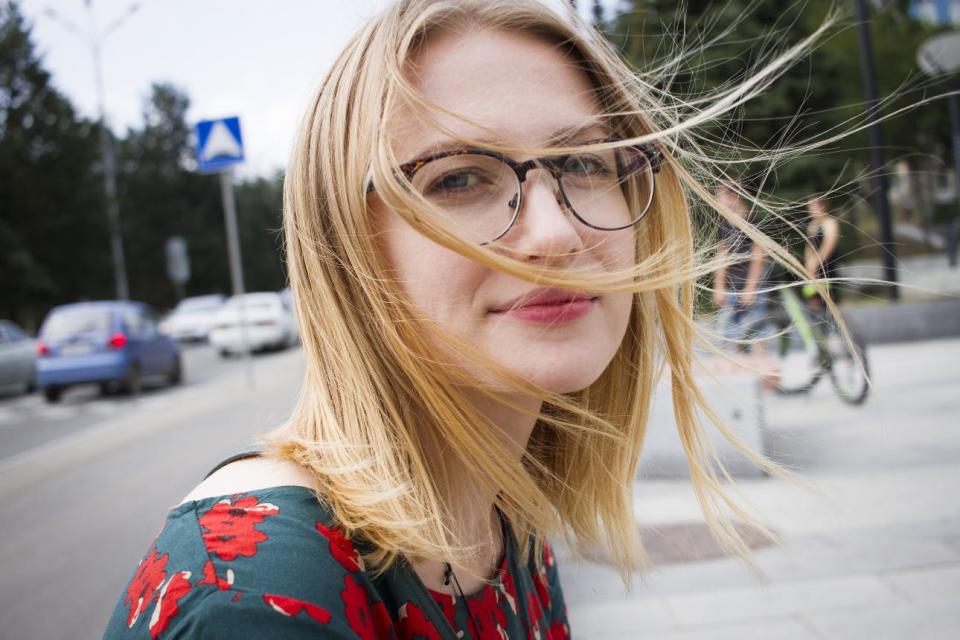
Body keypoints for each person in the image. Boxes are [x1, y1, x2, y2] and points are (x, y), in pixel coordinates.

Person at [104, 1, 794, 638]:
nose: (554, 233)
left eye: (583, 162)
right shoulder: (259, 604)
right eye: (459, 178)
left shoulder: (505, 524)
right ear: (346, 246)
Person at [712, 184, 771, 352]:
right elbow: (721, 255)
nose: (718, 203)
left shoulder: (752, 220)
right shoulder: (724, 223)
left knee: (756, 329)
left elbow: (759, 255)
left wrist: (751, 287)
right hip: (732, 283)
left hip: (751, 284)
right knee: (729, 332)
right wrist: (719, 286)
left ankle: (761, 364)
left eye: (720, 198)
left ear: (733, 197)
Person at [802, 197, 842, 306]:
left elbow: (828, 245)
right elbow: (810, 246)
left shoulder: (830, 223)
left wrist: (816, 261)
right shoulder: (812, 225)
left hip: (828, 265)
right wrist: (808, 263)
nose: (810, 210)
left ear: (822, 206)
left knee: (829, 296)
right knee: (813, 296)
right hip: (814, 266)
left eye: (813, 207)